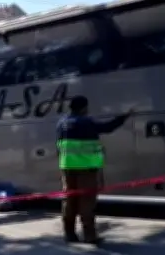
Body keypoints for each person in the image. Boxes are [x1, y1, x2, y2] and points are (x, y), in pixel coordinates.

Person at [56, 96, 133, 245]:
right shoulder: (86, 122)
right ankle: (89, 235)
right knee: (87, 201)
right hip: (86, 168)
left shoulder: (61, 123)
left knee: (69, 200)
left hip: (66, 167)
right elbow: (108, 128)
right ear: (84, 107)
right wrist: (125, 116)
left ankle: (69, 233)